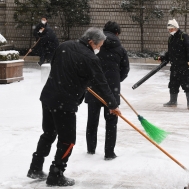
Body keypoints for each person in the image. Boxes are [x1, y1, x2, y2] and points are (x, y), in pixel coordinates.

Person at [27, 27, 121, 187]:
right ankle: (56, 175)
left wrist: (78, 80)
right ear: (91, 42)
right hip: (65, 103)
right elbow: (102, 83)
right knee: (67, 141)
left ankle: (35, 167)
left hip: (49, 96)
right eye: (99, 45)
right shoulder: (91, 58)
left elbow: (58, 67)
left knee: (48, 134)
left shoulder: (65, 46)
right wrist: (113, 104)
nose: (99, 48)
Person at [84, 21, 130, 160]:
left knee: (92, 120)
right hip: (112, 89)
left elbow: (85, 65)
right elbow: (125, 70)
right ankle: (109, 153)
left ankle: (91, 149)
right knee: (111, 121)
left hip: (94, 88)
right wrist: (115, 81)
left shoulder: (94, 46)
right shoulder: (120, 49)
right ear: (117, 33)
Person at [158, 19, 189, 110]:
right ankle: (173, 101)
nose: (170, 31)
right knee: (173, 84)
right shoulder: (171, 38)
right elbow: (170, 52)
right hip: (174, 66)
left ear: (176, 28)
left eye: (171, 29)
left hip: (183, 65)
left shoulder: (183, 36)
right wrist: (164, 57)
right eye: (169, 29)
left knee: (186, 83)